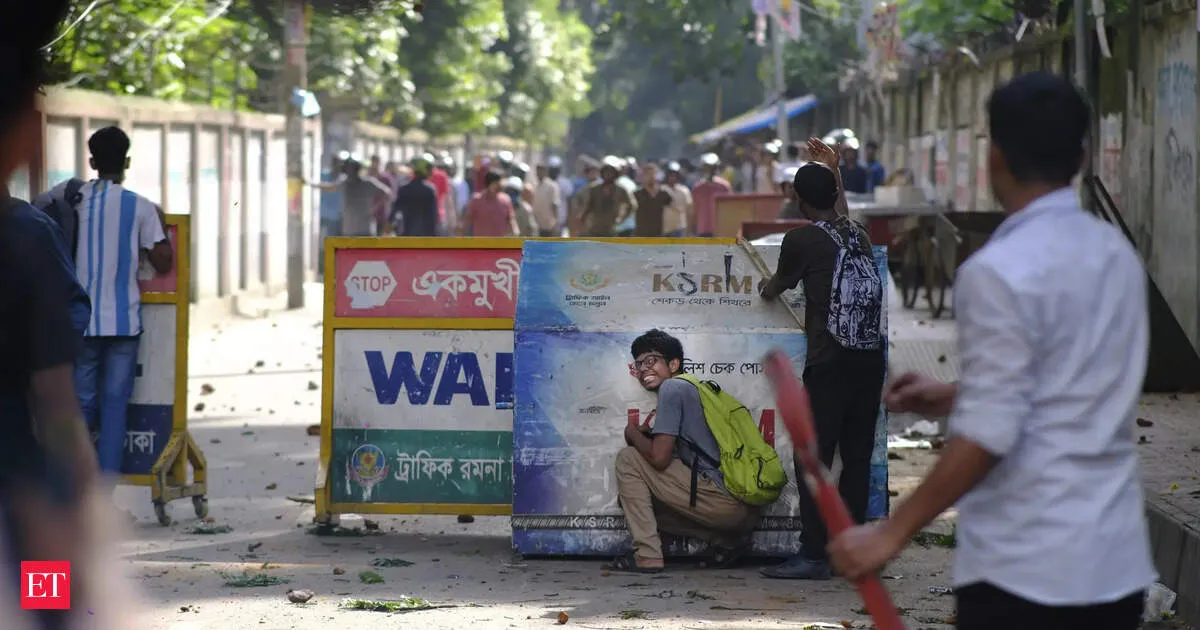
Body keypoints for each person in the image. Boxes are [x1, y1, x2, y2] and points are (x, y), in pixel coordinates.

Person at [828, 72, 1155, 630]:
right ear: (1080, 156)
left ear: (994, 157)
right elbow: (1070, 379)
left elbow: (989, 434)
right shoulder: (1115, 255)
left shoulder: (997, 272)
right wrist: (957, 394)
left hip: (1024, 572)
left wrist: (891, 532)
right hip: (1115, 565)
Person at [759, 143, 884, 581]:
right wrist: (835, 172)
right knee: (855, 458)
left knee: (813, 458)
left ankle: (812, 554)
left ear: (797, 199)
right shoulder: (859, 235)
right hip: (869, 363)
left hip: (828, 363)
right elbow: (841, 215)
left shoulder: (800, 240)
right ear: (835, 194)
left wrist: (764, 287)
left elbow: (776, 287)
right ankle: (851, 551)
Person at [36, 127, 174, 476]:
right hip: (124, 324)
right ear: (127, 161)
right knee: (115, 411)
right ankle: (103, 495)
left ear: (92, 161)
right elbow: (163, 261)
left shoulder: (71, 200)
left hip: (81, 324)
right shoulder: (140, 207)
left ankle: (75, 489)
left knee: (81, 407)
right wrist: (158, 221)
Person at [608, 330, 759, 573]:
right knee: (637, 501)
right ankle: (728, 542)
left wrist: (633, 434)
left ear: (674, 364)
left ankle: (647, 556)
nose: (644, 369)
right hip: (740, 509)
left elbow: (659, 459)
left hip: (723, 500)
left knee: (628, 459)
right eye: (638, 364)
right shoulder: (693, 388)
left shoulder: (672, 389)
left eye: (651, 360)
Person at [306, 155, 392, 237]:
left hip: (364, 230)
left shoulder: (368, 183)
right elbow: (329, 187)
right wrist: (309, 184)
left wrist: (375, 208)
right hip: (349, 230)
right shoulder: (345, 184)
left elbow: (388, 193)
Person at [575, 157, 636, 237]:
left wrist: (621, 218)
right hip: (594, 229)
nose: (608, 175)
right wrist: (581, 221)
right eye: (606, 172)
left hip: (611, 230)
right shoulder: (594, 189)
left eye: (611, 172)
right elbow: (587, 207)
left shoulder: (621, 190)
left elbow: (632, 205)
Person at [390, 155, 440, 237]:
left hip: (406, 233)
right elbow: (433, 216)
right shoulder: (430, 190)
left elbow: (394, 210)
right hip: (425, 235)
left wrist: (389, 226)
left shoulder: (404, 188)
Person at [461, 171, 519, 237]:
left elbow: (511, 220)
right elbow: (467, 220)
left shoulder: (506, 200)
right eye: (498, 183)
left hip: (500, 244)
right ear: (490, 183)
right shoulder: (477, 200)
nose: (501, 185)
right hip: (481, 244)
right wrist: (460, 238)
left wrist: (515, 234)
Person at [691, 153, 732, 238]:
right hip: (702, 229)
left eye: (712, 168)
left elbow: (729, 208)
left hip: (720, 229)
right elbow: (694, 210)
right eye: (707, 168)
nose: (710, 171)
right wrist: (692, 228)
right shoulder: (697, 188)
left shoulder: (724, 186)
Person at [633, 163, 673, 238]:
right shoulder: (636, 194)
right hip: (641, 236)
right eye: (648, 174)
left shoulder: (664, 194)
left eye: (653, 174)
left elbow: (672, 211)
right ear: (643, 176)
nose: (651, 177)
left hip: (659, 236)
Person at [426, 152, 455, 235]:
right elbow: (448, 201)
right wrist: (451, 221)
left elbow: (447, 200)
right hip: (437, 219)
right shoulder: (441, 176)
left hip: (429, 219)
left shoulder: (441, 176)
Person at [662, 163, 692, 237]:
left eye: (674, 175)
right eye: (670, 175)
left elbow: (689, 210)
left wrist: (688, 231)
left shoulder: (684, 191)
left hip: (679, 228)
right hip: (664, 229)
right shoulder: (661, 190)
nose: (672, 178)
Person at [532, 163, 561, 237]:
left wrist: (556, 222)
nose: (539, 173)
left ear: (546, 172)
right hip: (536, 225)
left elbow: (555, 204)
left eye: (541, 171)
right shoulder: (534, 185)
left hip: (548, 225)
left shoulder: (552, 186)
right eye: (538, 171)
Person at [550, 156, 573, 235]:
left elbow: (570, 202)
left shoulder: (565, 183)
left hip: (562, 219)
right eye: (552, 169)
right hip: (547, 222)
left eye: (555, 169)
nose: (553, 172)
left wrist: (569, 219)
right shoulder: (545, 184)